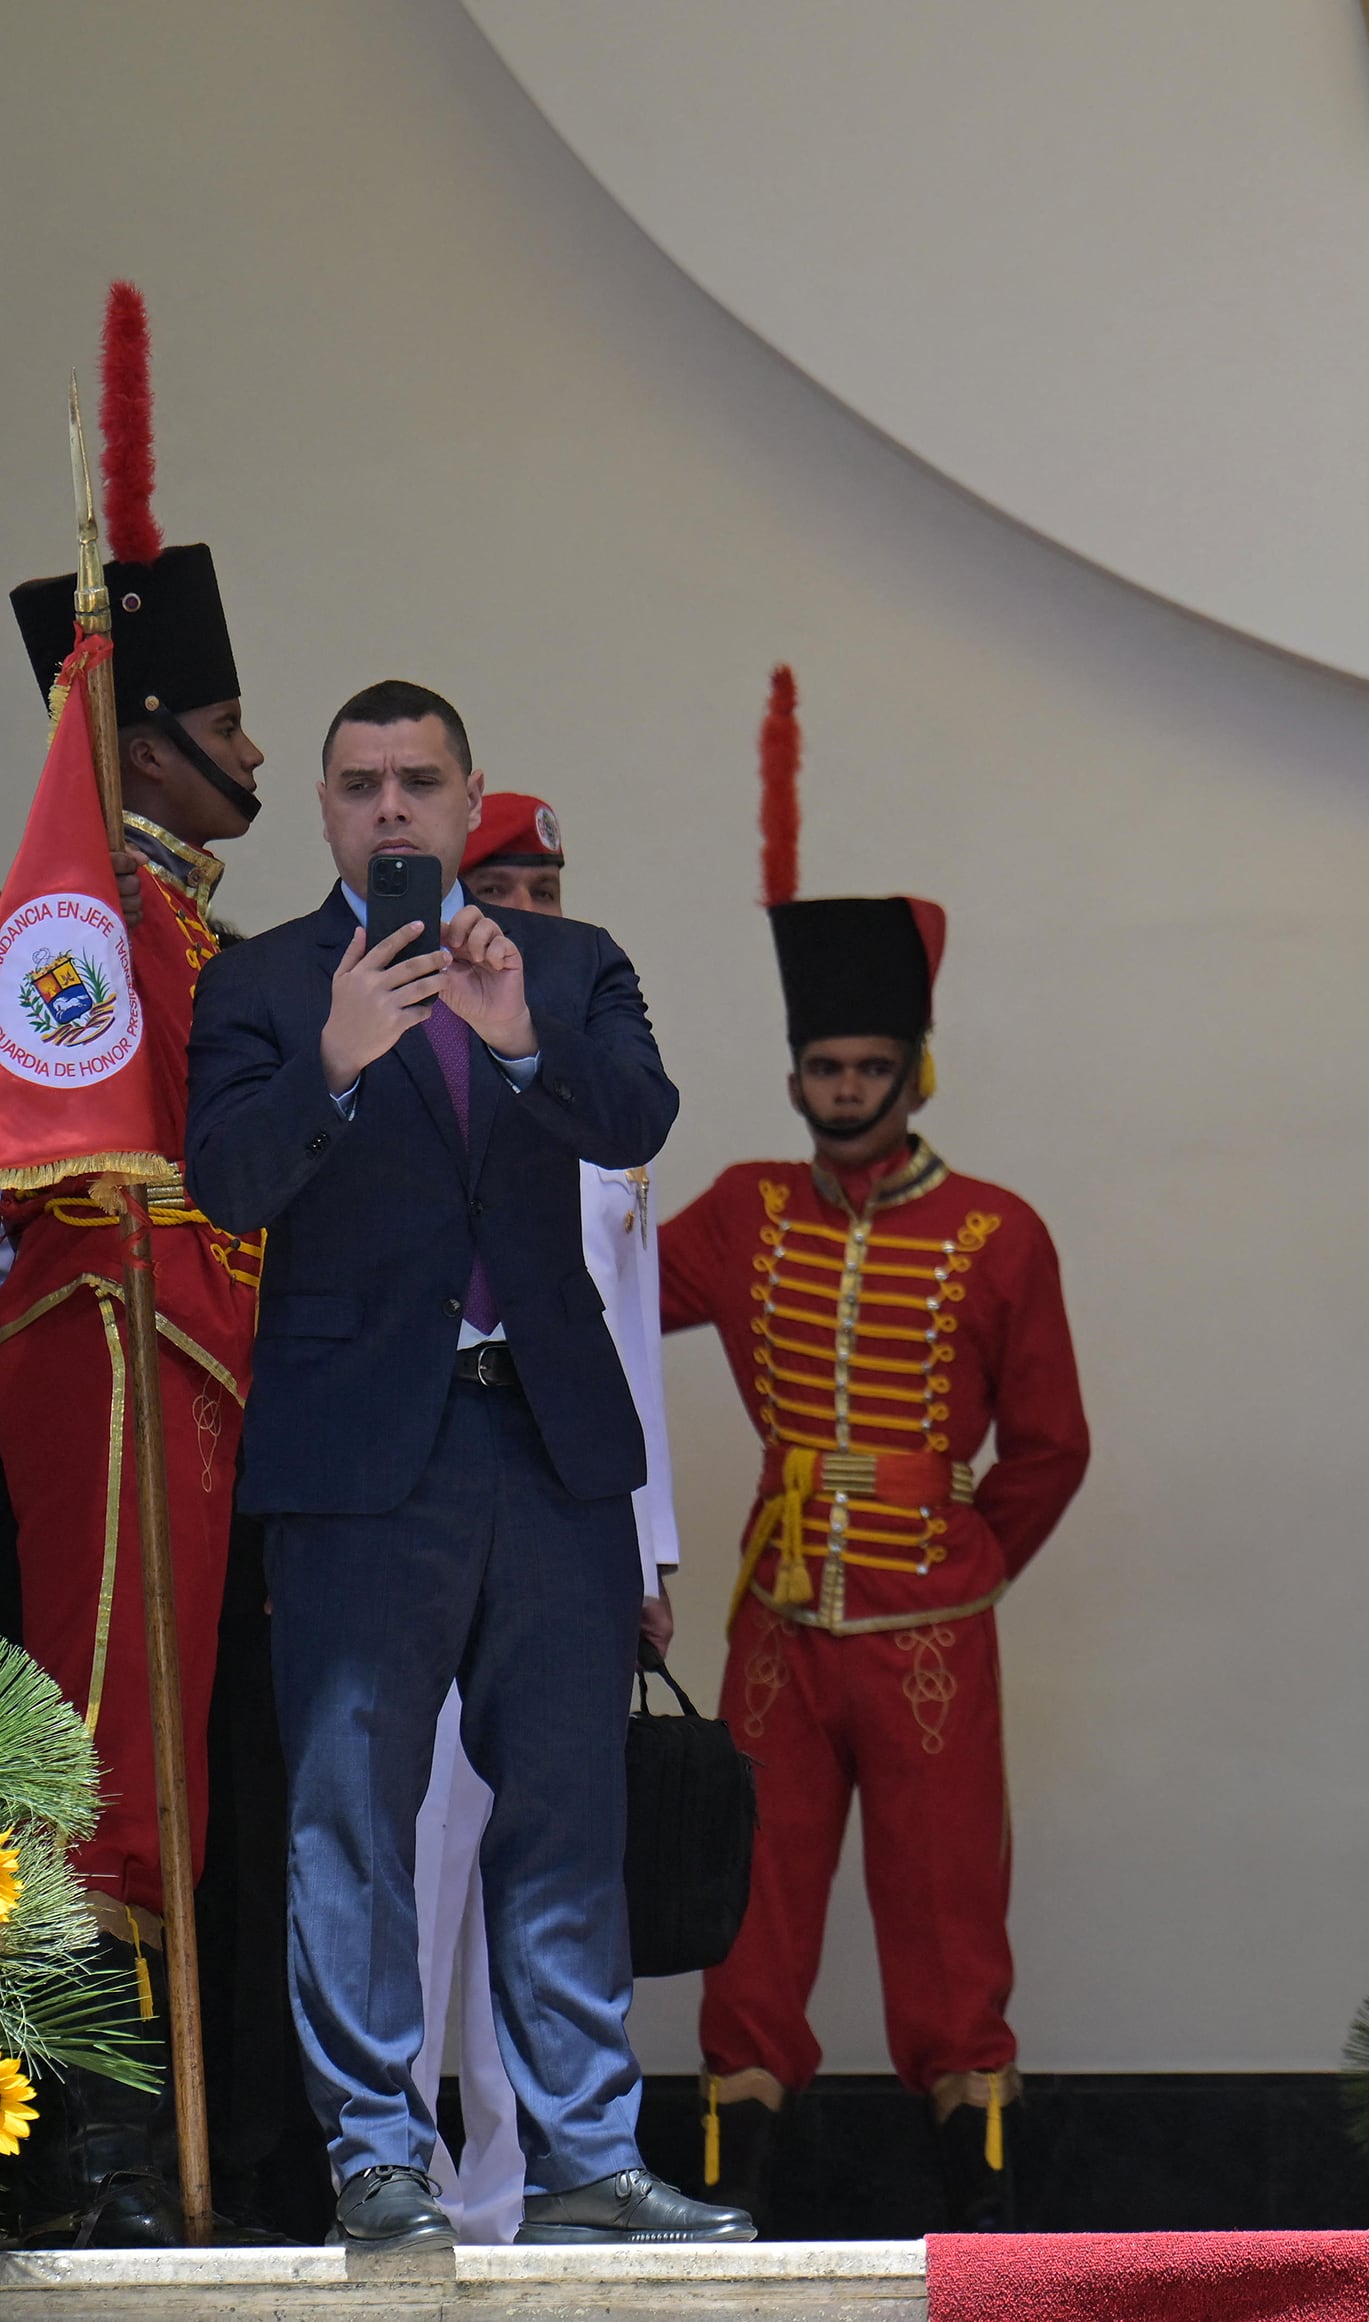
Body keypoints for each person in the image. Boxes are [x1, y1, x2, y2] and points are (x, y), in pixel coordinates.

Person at [182, 681, 741, 2250]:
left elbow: (641, 1111)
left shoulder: (565, 963)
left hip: (547, 1442)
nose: (393, 809)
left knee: (565, 1809)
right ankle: (378, 2153)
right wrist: (339, 1062)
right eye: (361, 783)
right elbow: (224, 1180)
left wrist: (512, 1041)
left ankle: (582, 2158)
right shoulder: (267, 980)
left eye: (421, 780)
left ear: (467, 790)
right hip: (362, 1458)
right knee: (351, 1813)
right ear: (323, 804)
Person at [657, 671, 1089, 2233]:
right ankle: (735, 2167)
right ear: (795, 1074)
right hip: (776, 1617)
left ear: (914, 1070)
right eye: (822, 1070)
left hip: (928, 1628)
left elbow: (1049, 1444)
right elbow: (614, 1305)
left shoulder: (997, 1231)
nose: (844, 1093)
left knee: (948, 1911)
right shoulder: (743, 1208)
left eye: (868, 1069)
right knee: (754, 1910)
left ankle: (969, 2179)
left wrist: (966, 1552)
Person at [0, 283, 268, 2245]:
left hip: (195, 1368)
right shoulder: (96, 924)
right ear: (147, 747)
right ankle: (87, 2132)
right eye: (230, 720)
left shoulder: (190, 930)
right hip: (106, 1356)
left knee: (169, 1757)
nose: (252, 748)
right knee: (96, 1741)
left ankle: (151, 2116)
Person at [406, 791, 681, 2244]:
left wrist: (651, 1547)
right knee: (419, 1856)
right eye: (505, 878)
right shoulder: (417, 1048)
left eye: (551, 880)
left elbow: (625, 1338)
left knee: (554, 1866)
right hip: (427, 1509)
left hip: (572, 1517)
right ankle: (405, 2170)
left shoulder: (596, 1082)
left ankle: (534, 2180)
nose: (534, 902)